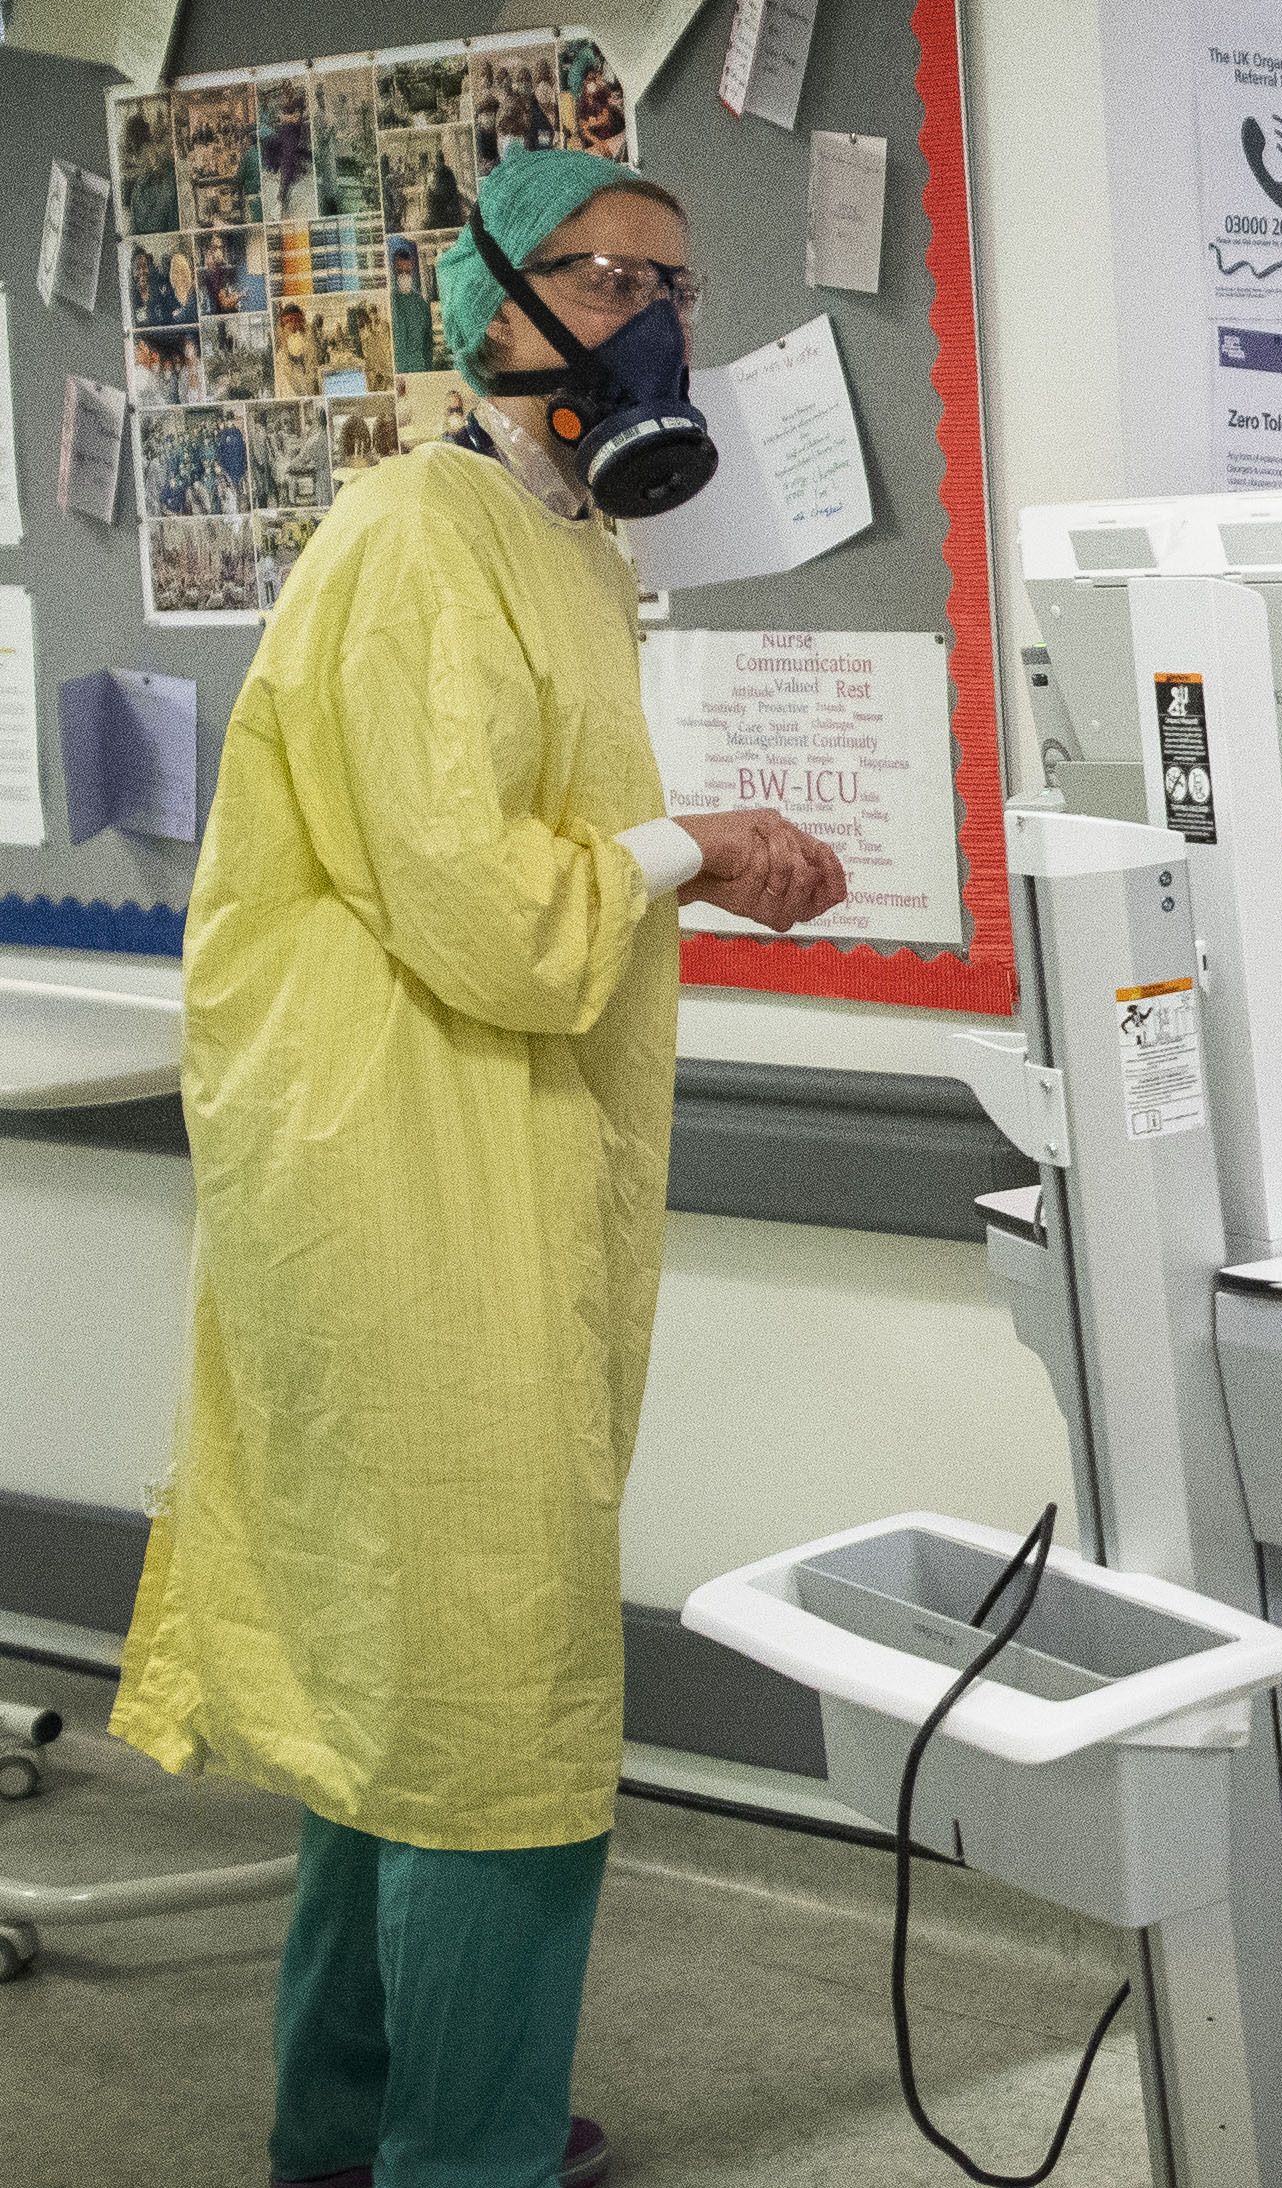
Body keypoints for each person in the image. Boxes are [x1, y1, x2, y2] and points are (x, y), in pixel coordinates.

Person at [111, 147, 848, 2188]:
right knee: (492, 1686)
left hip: (486, 1149)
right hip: (398, 1167)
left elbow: (534, 853)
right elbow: (483, 912)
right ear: (484, 305)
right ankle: (468, 2152)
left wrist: (690, 843)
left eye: (674, 279)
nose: (647, 318)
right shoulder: (412, 532)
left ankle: (353, 2128)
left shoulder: (560, 549)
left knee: (404, 1674)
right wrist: (706, 846)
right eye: (602, 275)